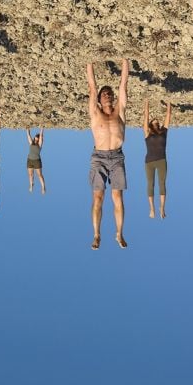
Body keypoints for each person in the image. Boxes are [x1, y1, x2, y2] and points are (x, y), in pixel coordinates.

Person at [87, 59, 129, 250]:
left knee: (117, 197)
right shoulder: (95, 113)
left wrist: (125, 63)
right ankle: (96, 235)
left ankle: (119, 233)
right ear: (99, 100)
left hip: (117, 156)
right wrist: (90, 65)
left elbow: (123, 86)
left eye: (109, 93)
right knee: (98, 198)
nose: (107, 95)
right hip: (100, 157)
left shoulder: (120, 111)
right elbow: (92, 88)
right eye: (104, 94)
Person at [143, 100, 171, 219]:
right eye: (154, 120)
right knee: (150, 184)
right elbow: (145, 117)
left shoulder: (163, 132)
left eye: (157, 121)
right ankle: (152, 209)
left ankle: (162, 208)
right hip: (149, 162)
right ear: (150, 124)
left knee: (162, 183)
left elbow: (168, 116)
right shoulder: (147, 133)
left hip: (161, 161)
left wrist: (169, 104)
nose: (156, 120)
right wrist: (147, 104)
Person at [26, 126, 46, 194]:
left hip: (37, 161)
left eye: (38, 138)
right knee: (30, 175)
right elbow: (28, 136)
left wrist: (42, 129)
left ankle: (43, 187)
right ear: (34, 138)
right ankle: (31, 185)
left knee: (39, 175)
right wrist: (28, 130)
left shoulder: (39, 145)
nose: (37, 139)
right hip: (30, 160)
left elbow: (41, 137)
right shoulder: (31, 143)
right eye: (36, 137)